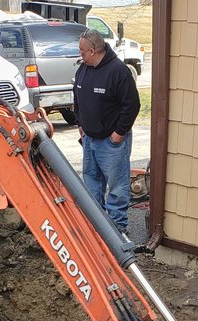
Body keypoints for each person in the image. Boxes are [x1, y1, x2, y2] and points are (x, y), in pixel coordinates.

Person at [73, 29, 140, 234]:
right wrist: (81, 124)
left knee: (117, 187)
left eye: (82, 51)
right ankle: (97, 226)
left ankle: (118, 229)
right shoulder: (82, 69)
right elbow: (77, 98)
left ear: (93, 51)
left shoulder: (118, 71)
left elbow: (132, 105)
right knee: (92, 184)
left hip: (111, 142)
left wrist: (119, 134)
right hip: (90, 140)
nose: (80, 54)